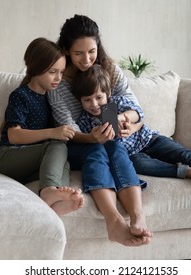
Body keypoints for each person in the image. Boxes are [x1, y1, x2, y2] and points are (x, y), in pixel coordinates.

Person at [48, 14, 152, 246]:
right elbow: (67, 126)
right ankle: (114, 220)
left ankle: (137, 216)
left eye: (91, 51)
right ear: (66, 50)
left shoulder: (108, 68)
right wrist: (90, 137)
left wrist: (125, 120)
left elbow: (132, 104)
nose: (87, 59)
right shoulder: (57, 80)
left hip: (109, 136)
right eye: (78, 53)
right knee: (98, 147)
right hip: (74, 143)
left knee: (112, 143)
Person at [73, 65, 191, 196]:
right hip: (131, 155)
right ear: (80, 101)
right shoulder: (84, 121)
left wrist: (122, 119)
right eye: (87, 100)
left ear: (107, 94)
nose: (94, 104)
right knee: (141, 166)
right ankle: (186, 172)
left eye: (98, 97)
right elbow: (95, 145)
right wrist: (95, 137)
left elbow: (138, 114)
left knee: (186, 154)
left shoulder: (116, 103)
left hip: (149, 139)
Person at [0, 37, 84, 216]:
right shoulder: (21, 95)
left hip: (28, 166)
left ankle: (56, 204)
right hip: (7, 157)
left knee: (63, 159)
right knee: (57, 144)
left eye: (61, 72)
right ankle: (48, 190)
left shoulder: (51, 98)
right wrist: (53, 132)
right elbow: (13, 135)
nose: (58, 78)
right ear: (35, 68)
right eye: (53, 72)